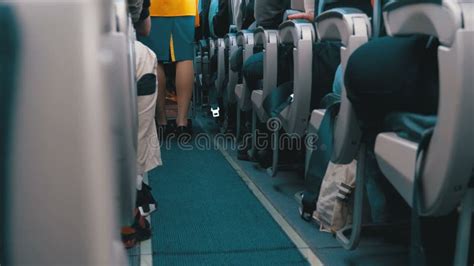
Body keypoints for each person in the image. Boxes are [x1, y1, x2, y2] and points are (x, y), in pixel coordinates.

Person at [140, 0, 200, 136]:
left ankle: (161, 121)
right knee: (184, 57)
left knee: (156, 60)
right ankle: (182, 122)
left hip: (154, 6)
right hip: (184, 6)